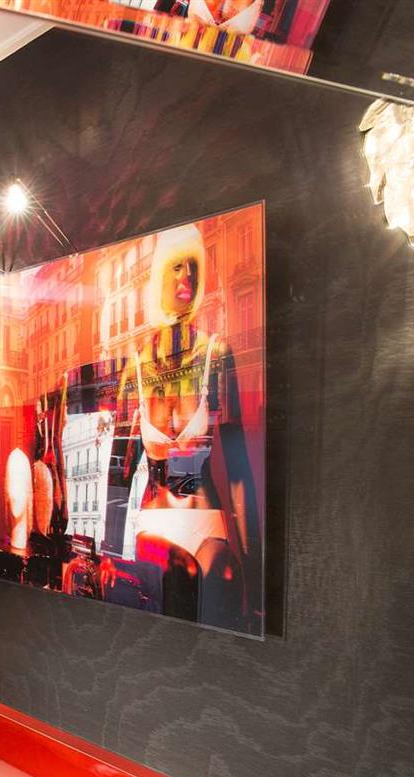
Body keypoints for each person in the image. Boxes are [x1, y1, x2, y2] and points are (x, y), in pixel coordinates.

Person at [118, 224, 259, 631]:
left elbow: (239, 471)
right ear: (160, 277)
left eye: (193, 268)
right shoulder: (136, 367)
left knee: (224, 582)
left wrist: (252, 562)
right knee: (181, 580)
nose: (186, 278)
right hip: (155, 521)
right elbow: (119, 471)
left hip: (207, 519)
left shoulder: (217, 354)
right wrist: (106, 552)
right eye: (177, 268)